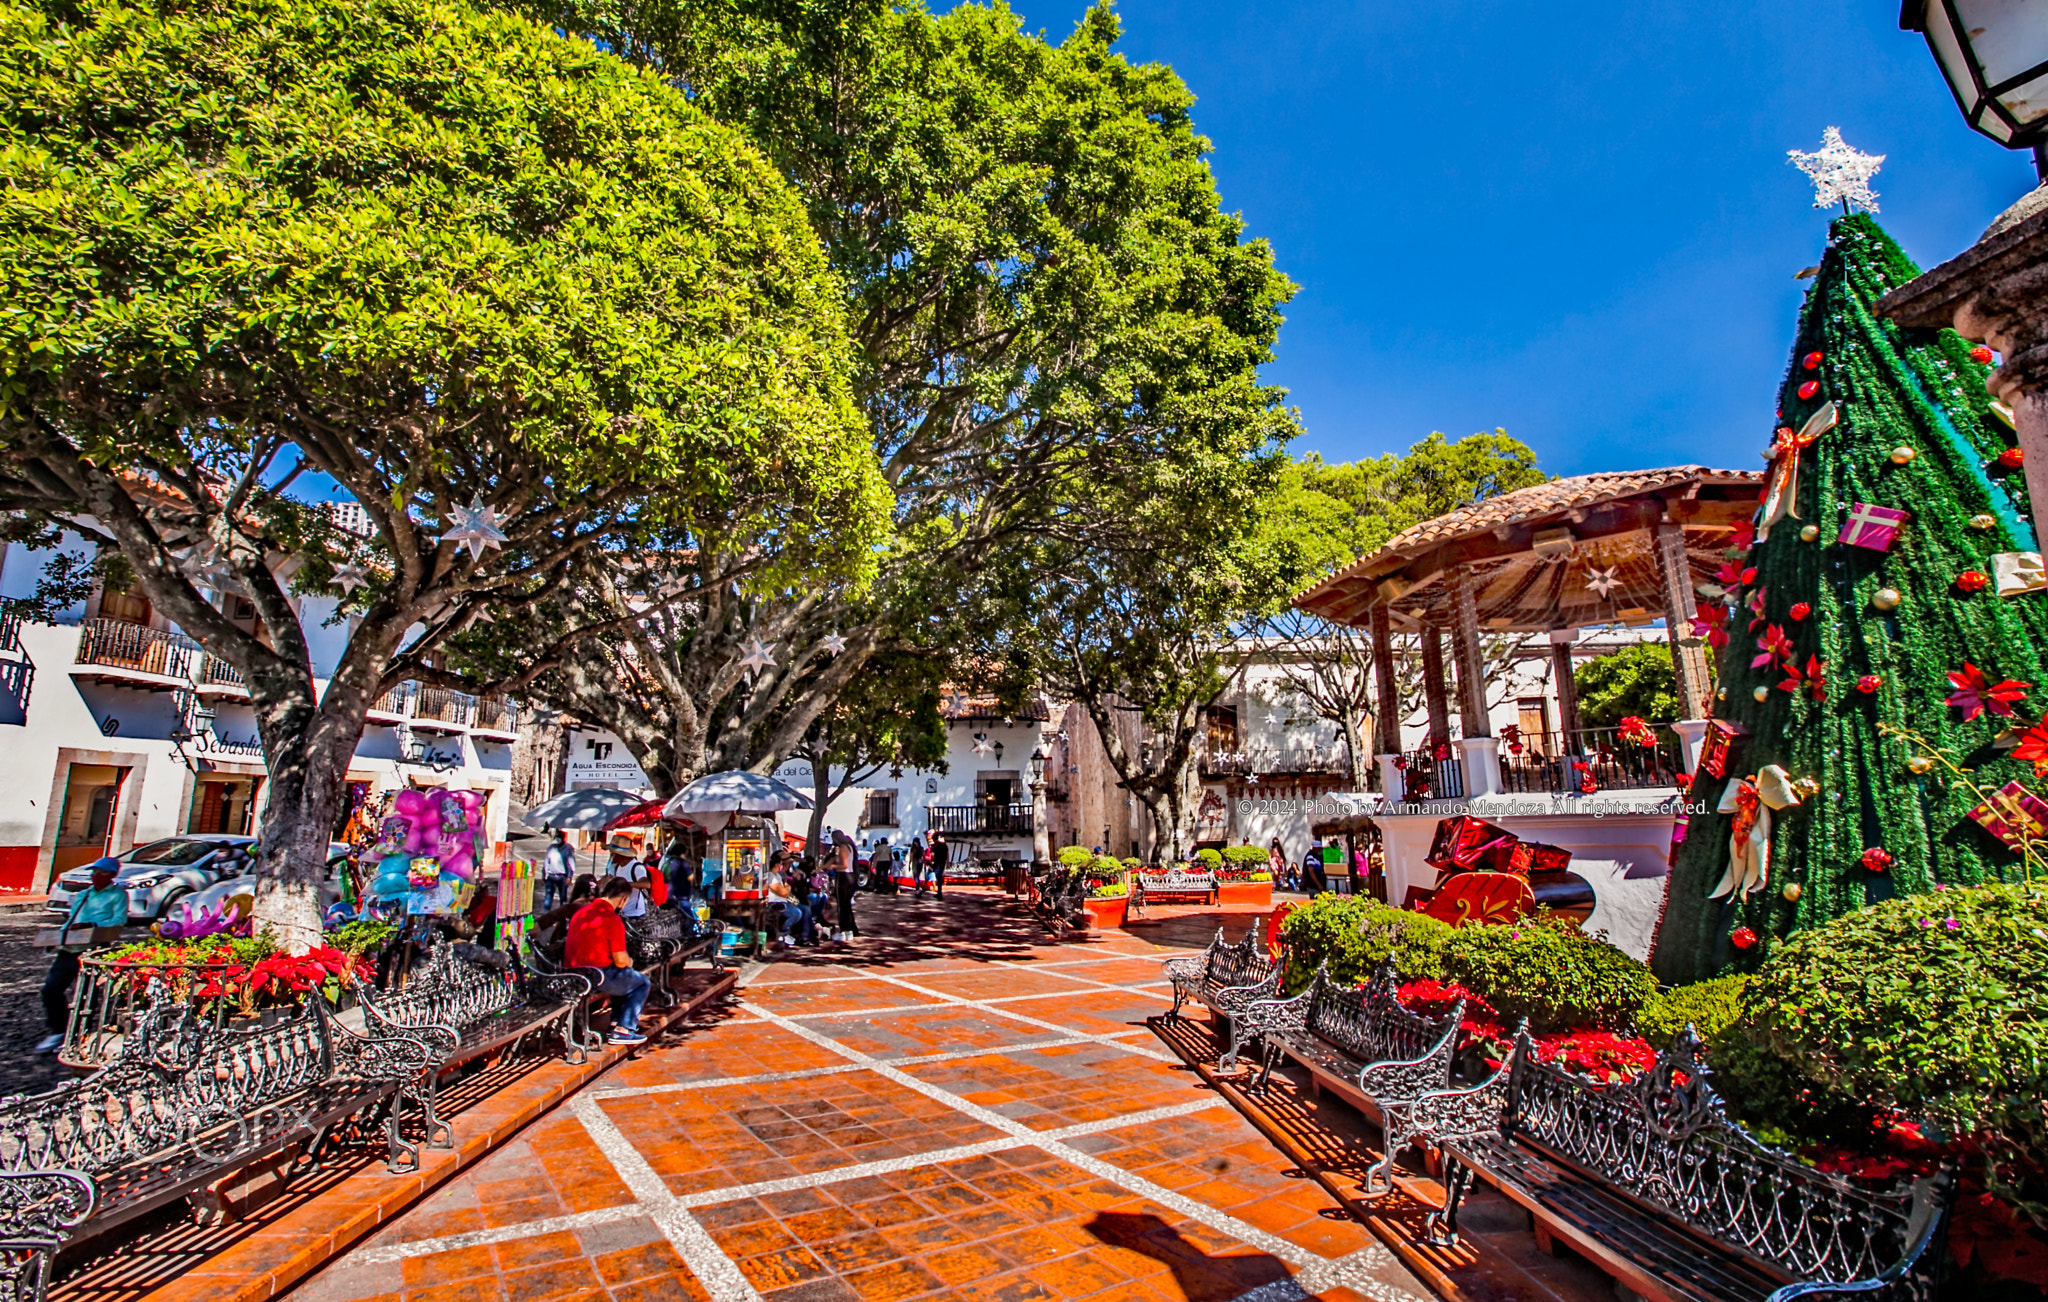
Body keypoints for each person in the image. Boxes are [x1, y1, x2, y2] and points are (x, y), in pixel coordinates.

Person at [38, 858, 128, 1053]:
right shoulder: (83, 895)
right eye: (94, 872)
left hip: (94, 948)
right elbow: (72, 919)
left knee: (86, 996)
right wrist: (58, 938)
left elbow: (118, 921)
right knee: (50, 990)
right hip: (69, 949)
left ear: (112, 876)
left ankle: (79, 1034)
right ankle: (58, 1030)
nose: (96, 877)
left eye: (102, 873)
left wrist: (92, 925)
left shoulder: (117, 896)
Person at [565, 877, 651, 1044]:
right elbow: (620, 960)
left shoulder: (582, 912)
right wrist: (629, 961)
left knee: (626, 977)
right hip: (596, 975)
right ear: (623, 900)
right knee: (641, 982)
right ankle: (624, 1029)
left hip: (574, 972)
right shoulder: (611, 919)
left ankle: (615, 1024)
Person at [763, 855, 808, 947]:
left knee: (805, 910)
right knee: (796, 913)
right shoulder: (770, 877)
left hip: (783, 901)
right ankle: (783, 933)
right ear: (777, 864)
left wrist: (786, 888)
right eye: (780, 863)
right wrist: (786, 889)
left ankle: (805, 936)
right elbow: (784, 892)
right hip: (774, 904)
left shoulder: (778, 876)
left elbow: (787, 886)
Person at [830, 829, 859, 941]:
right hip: (850, 877)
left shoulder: (843, 848)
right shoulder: (850, 847)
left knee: (842, 906)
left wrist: (832, 867)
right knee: (846, 905)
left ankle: (843, 931)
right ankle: (849, 931)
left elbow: (843, 865)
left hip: (843, 877)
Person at [542, 830, 575, 912]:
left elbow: (571, 863)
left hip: (562, 877)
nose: (558, 839)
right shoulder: (551, 848)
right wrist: (544, 874)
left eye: (559, 837)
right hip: (551, 876)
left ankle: (562, 917)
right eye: (557, 837)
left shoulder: (568, 848)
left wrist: (570, 876)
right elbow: (546, 861)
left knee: (563, 897)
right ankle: (545, 915)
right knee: (548, 897)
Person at [928, 831, 948, 898]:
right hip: (943, 862)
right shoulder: (944, 845)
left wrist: (932, 862)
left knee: (938, 877)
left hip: (937, 863)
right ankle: (939, 892)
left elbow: (932, 855)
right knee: (939, 876)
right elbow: (947, 853)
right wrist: (948, 862)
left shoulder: (934, 846)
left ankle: (939, 893)